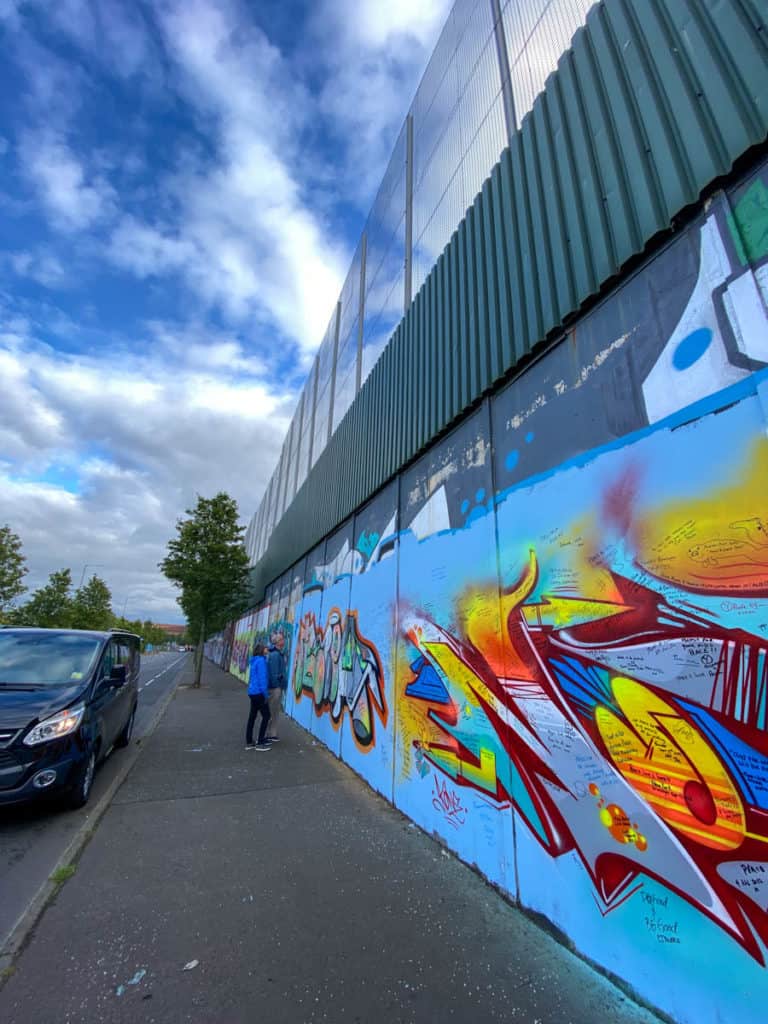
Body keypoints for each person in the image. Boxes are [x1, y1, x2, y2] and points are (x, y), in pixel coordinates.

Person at [245, 642, 271, 751]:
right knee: (267, 715)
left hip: (252, 692)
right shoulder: (261, 661)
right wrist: (266, 694)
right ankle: (260, 742)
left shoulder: (254, 660)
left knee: (252, 716)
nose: (268, 649)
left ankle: (249, 741)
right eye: (266, 648)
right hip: (259, 693)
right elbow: (262, 679)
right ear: (262, 650)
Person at [265, 631, 287, 742]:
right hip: (275, 688)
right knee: (272, 711)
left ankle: (271, 733)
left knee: (274, 711)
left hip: (276, 687)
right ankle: (269, 734)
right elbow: (274, 674)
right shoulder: (275, 655)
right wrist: (277, 686)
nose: (284, 641)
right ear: (278, 642)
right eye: (282, 639)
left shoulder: (276, 654)